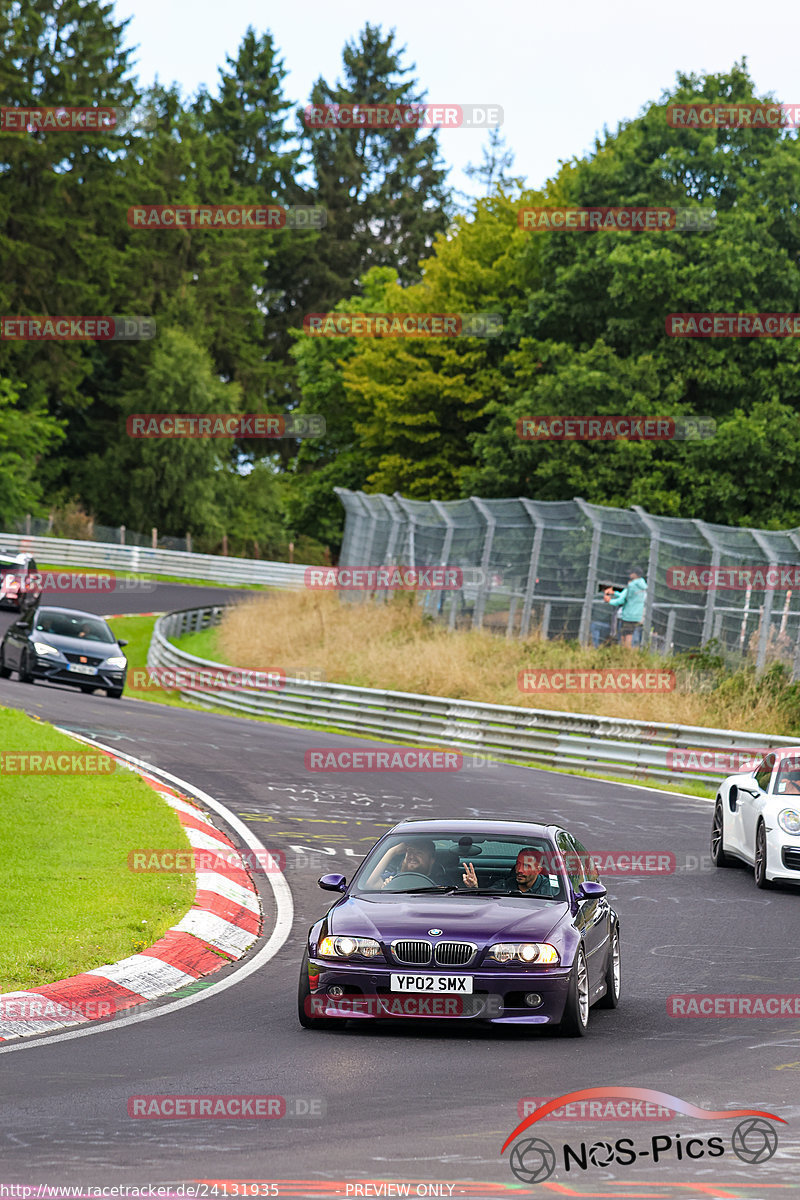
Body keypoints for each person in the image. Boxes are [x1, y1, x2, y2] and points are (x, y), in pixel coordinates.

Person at [461, 848, 558, 897]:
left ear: (538, 870)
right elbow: (485, 900)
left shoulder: (551, 890)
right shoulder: (504, 885)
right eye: (518, 864)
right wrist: (474, 888)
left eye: (526, 866)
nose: (519, 870)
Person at [364, 838, 445, 889]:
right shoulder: (392, 878)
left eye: (419, 853)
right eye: (409, 851)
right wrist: (392, 851)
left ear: (432, 859)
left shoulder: (444, 882)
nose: (412, 856)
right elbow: (369, 885)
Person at [604, 568, 647, 648]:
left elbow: (622, 600)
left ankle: (626, 653)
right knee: (628, 634)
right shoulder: (642, 585)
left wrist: (609, 601)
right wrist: (615, 592)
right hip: (637, 615)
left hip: (629, 615)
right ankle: (627, 653)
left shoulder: (632, 585)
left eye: (631, 573)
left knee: (626, 636)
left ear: (636, 574)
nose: (629, 575)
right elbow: (629, 596)